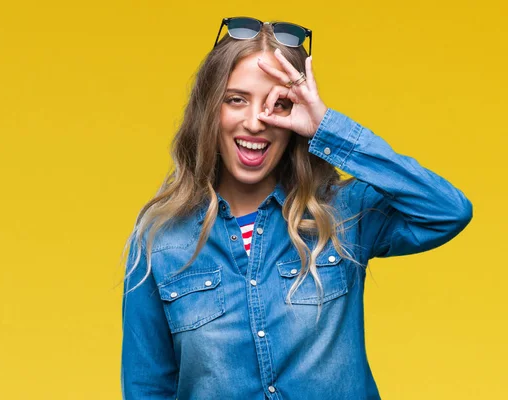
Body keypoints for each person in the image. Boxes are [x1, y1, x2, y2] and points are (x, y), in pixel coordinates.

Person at [120, 16, 473, 400]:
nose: (255, 122)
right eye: (236, 99)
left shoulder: (343, 214)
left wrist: (326, 127)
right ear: (209, 110)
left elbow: (446, 210)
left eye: (279, 103)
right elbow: (147, 388)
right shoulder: (159, 241)